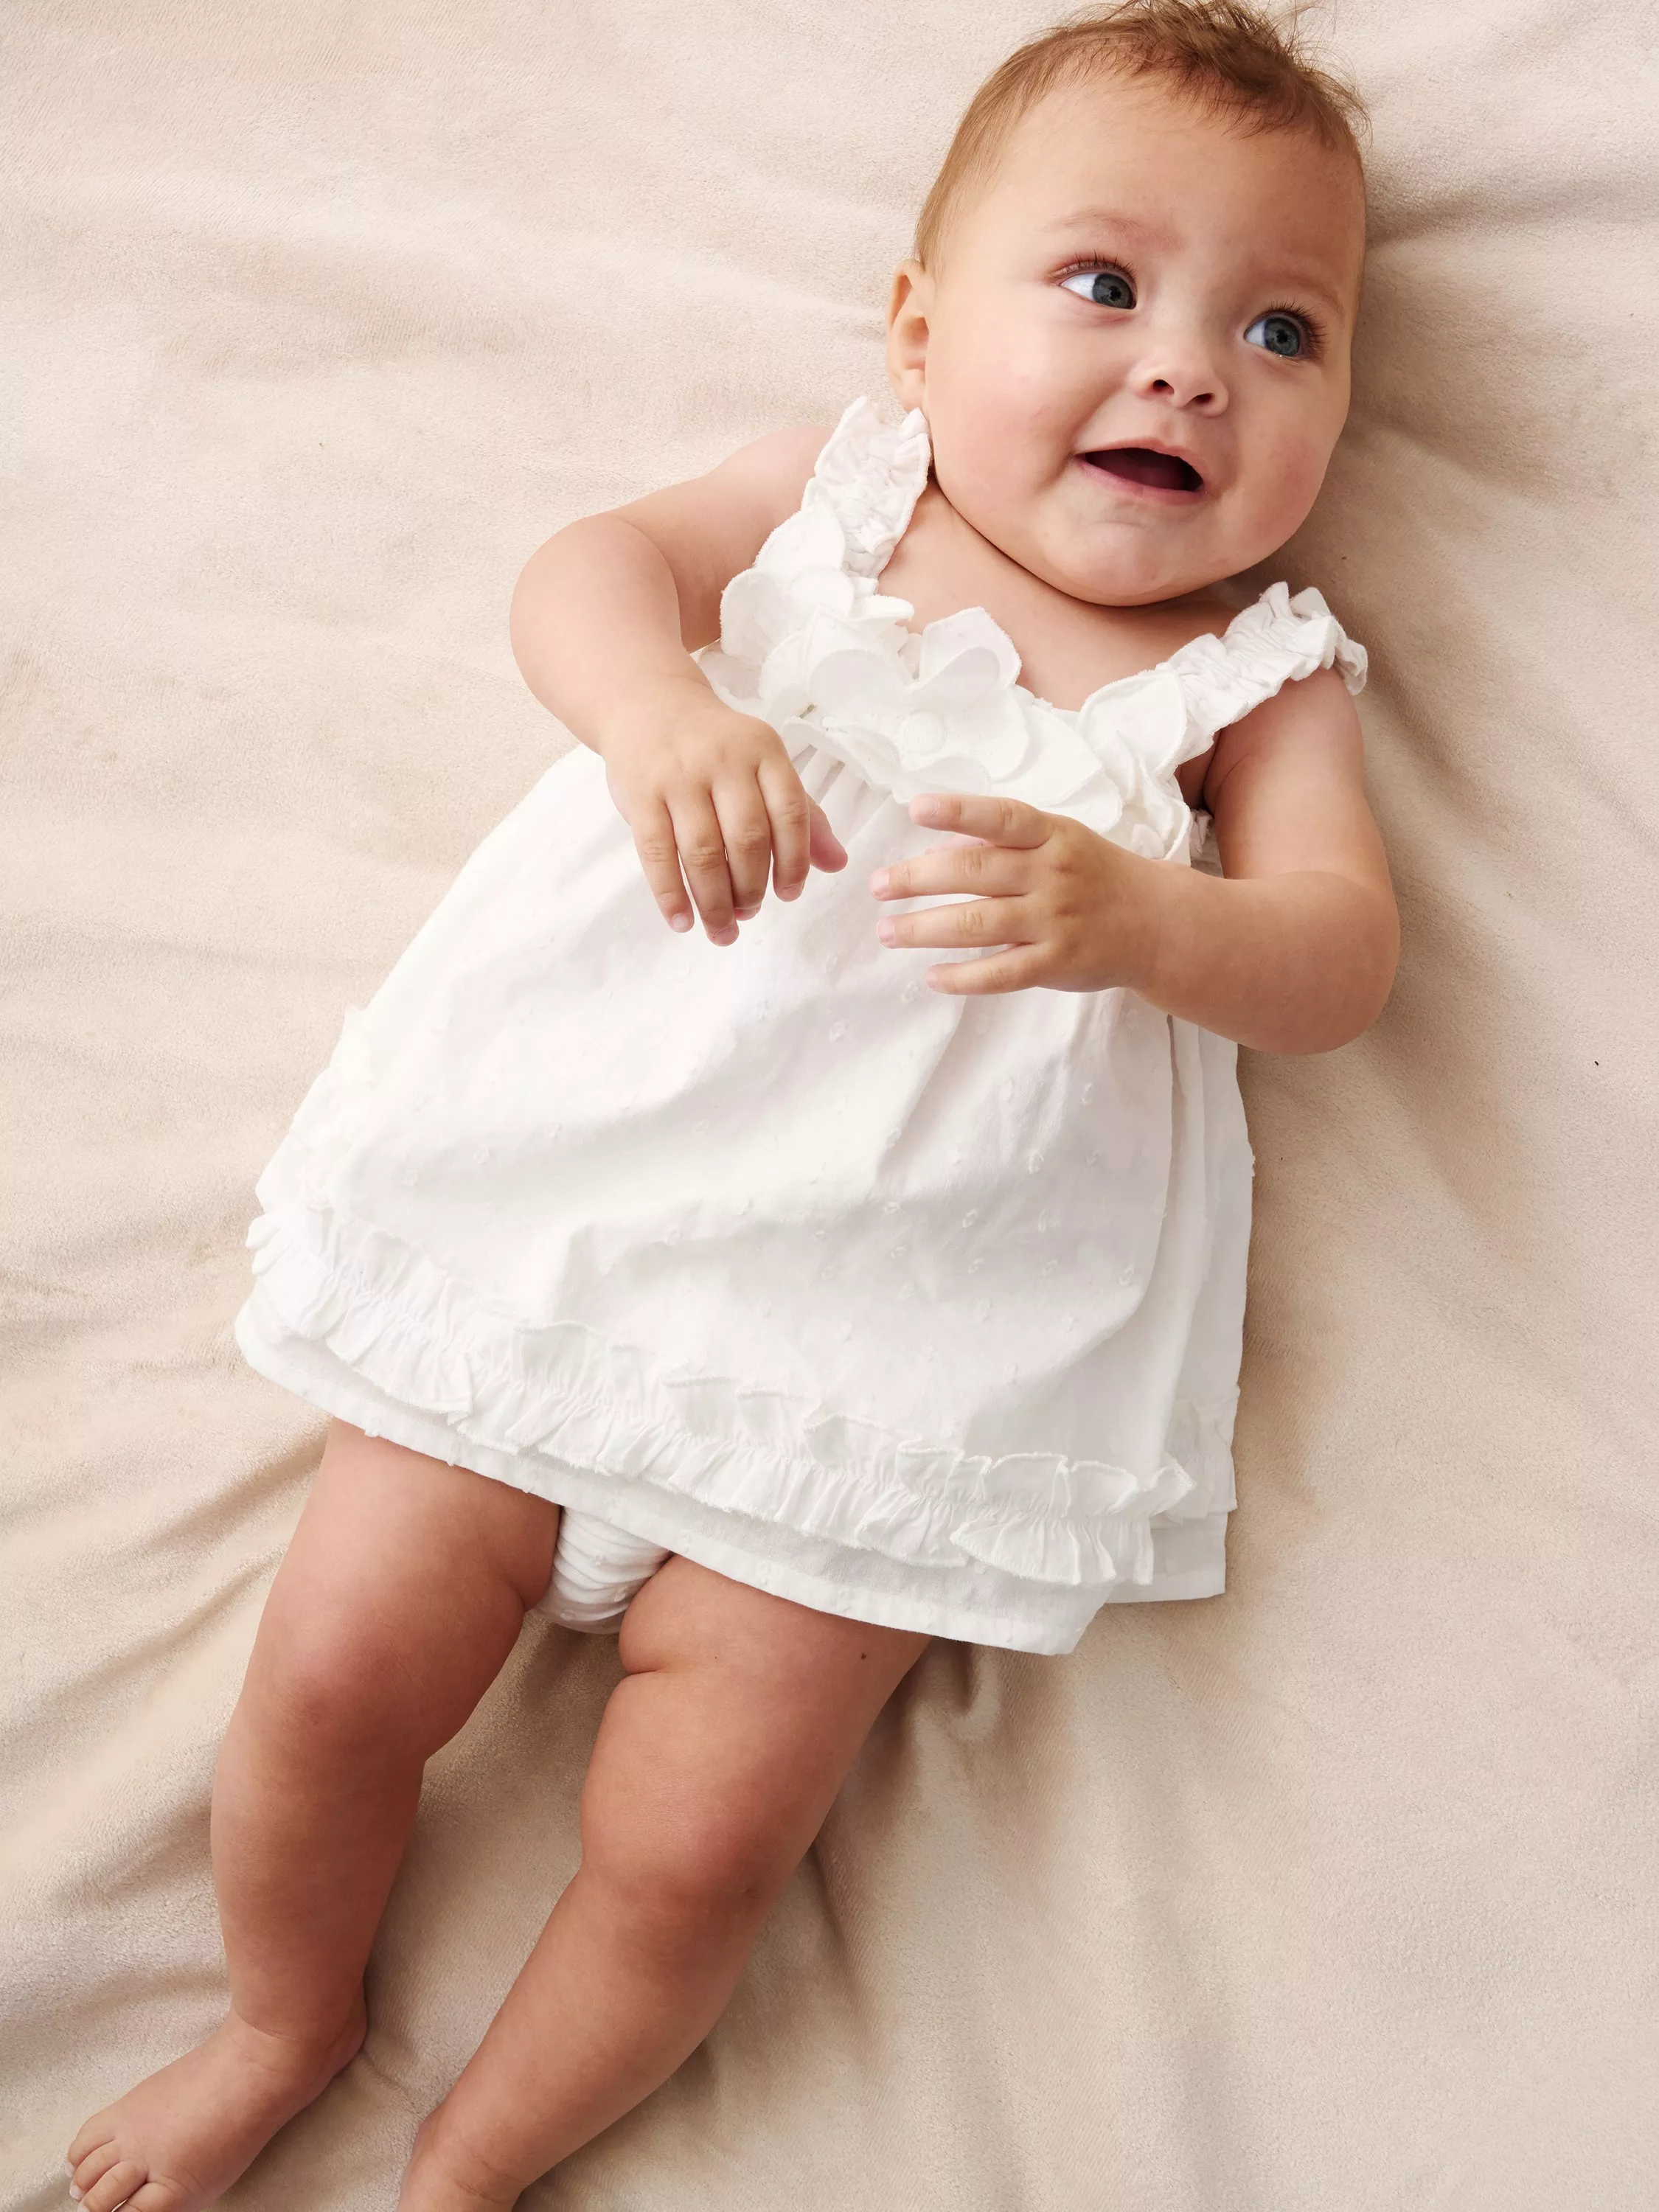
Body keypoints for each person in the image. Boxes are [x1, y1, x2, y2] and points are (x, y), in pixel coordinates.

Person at [65, 5, 1397, 2206]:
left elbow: (1340, 956)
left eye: (1285, 329)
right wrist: (652, 710)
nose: (1188, 368)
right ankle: (278, 2022)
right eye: (1103, 284)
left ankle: (469, 2165)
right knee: (322, 1682)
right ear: (914, 323)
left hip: (883, 1358)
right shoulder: (835, 492)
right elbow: (581, 569)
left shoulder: (1255, 683)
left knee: (696, 1851)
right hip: (568, 1222)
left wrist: (1154, 925)